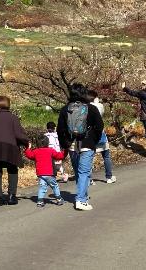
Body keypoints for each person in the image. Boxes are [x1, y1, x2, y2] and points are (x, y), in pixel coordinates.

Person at [57, 83, 104, 211]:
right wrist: (94, 140)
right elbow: (100, 126)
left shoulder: (65, 109)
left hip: (72, 145)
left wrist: (65, 144)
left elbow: (60, 129)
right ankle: (81, 200)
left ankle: (83, 196)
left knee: (79, 172)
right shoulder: (91, 108)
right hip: (87, 144)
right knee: (84, 172)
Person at [0, 95, 29, 206]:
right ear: (8, 105)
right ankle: (12, 196)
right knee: (12, 170)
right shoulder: (13, 118)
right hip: (10, 147)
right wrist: (26, 142)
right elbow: (19, 134)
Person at [122, 80, 146, 159]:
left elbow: (133, 93)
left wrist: (125, 88)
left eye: (143, 84)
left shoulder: (143, 93)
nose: (141, 86)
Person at [25, 135, 66, 207]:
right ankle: (59, 199)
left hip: (40, 174)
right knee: (54, 186)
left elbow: (29, 155)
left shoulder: (35, 151)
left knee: (42, 187)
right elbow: (59, 156)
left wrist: (28, 148)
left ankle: (40, 201)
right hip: (49, 173)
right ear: (47, 142)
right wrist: (65, 151)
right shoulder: (50, 150)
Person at [87, 90, 116, 184]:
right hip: (100, 134)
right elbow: (101, 110)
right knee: (106, 156)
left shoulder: (84, 108)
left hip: (89, 136)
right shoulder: (99, 106)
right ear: (95, 98)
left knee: (89, 158)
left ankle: (89, 179)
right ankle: (109, 177)